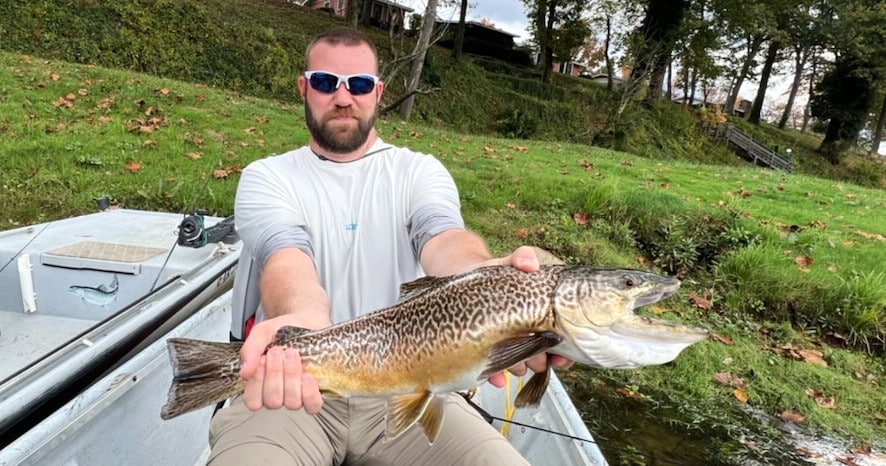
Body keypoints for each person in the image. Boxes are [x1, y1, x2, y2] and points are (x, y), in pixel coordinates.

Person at [208, 26, 572, 465]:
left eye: (359, 84)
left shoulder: (418, 172)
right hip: (294, 383)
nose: (343, 98)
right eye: (326, 82)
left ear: (378, 93)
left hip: (413, 383)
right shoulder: (269, 176)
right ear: (304, 88)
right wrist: (303, 320)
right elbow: (286, 258)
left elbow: (443, 239)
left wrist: (487, 275)